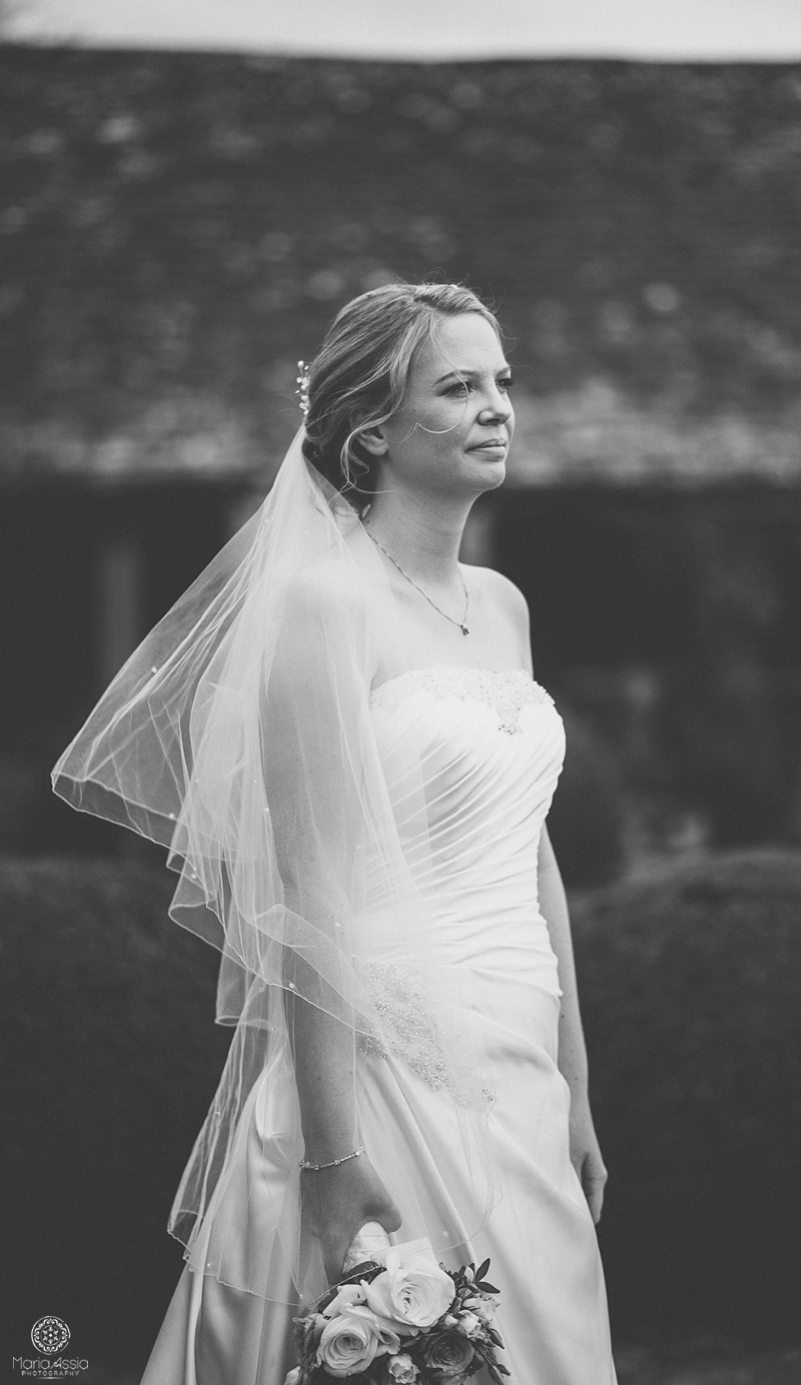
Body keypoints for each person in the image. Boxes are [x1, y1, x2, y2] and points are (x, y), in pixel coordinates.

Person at [52, 281, 617, 1384]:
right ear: (375, 431)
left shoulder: (503, 605)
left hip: (523, 1065)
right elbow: (307, 895)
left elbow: (531, 848)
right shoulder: (323, 607)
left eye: (502, 381)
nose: (497, 406)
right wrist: (333, 1151)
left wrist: (578, 1083)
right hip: (382, 1062)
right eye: (458, 387)